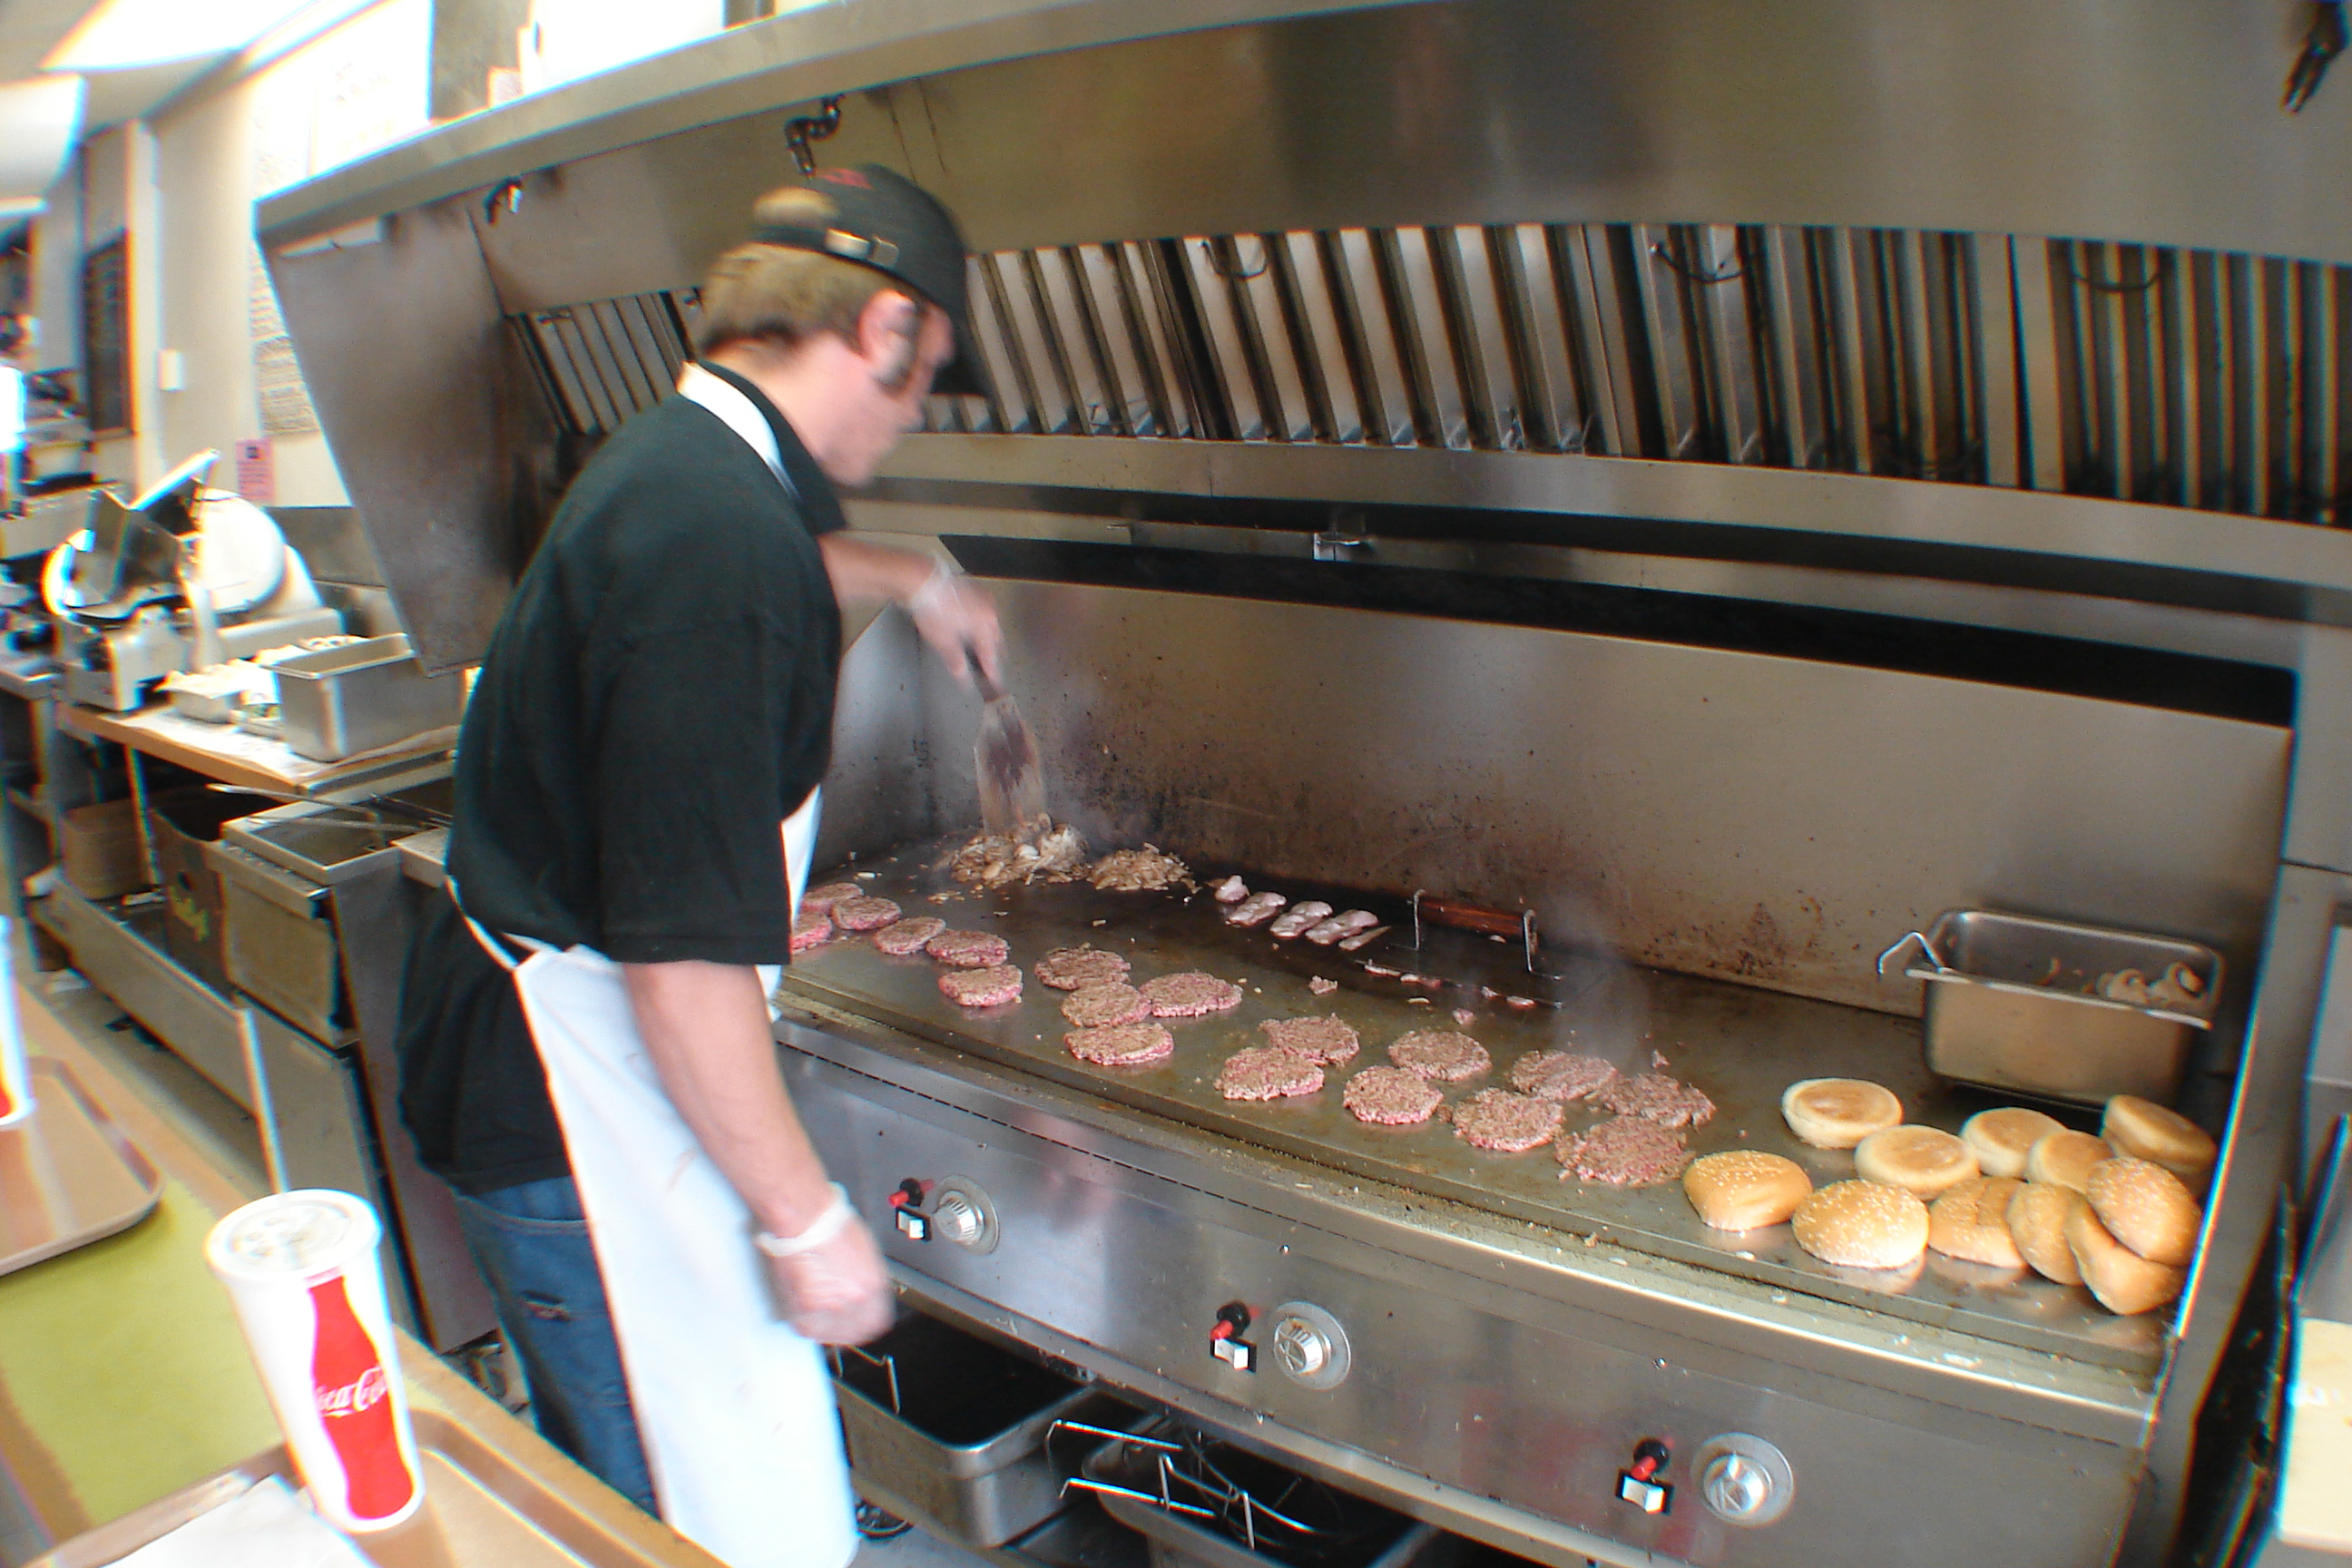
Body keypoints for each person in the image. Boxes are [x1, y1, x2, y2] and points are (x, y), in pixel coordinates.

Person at [395, 165, 1001, 1568]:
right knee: (660, 1523)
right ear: (884, 329)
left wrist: (911, 574)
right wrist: (808, 1222)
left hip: (529, 1057)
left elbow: (779, 562)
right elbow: (679, 971)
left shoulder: (679, 466)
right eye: (923, 376)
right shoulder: (716, 545)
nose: (913, 412)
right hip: (568, 1116)